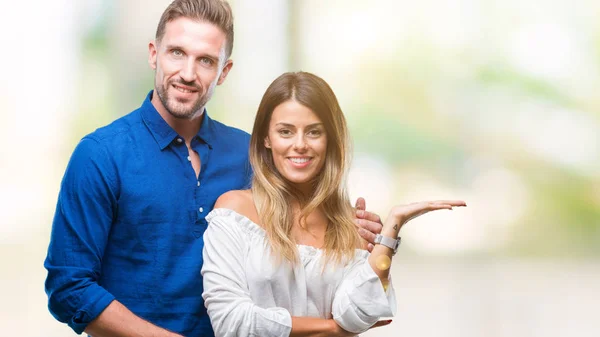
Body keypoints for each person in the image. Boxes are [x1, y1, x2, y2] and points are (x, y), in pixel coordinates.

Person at [43, 1, 384, 336]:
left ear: (224, 72)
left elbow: (305, 232)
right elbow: (69, 287)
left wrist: (350, 226)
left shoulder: (252, 156)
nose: (188, 73)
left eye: (205, 60)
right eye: (177, 52)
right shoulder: (100, 155)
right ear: (153, 54)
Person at [201, 71, 466, 336]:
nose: (300, 145)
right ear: (266, 139)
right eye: (286, 132)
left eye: (314, 132)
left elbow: (359, 314)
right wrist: (332, 329)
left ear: (330, 140)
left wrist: (390, 233)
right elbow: (231, 321)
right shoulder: (234, 212)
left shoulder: (350, 224)